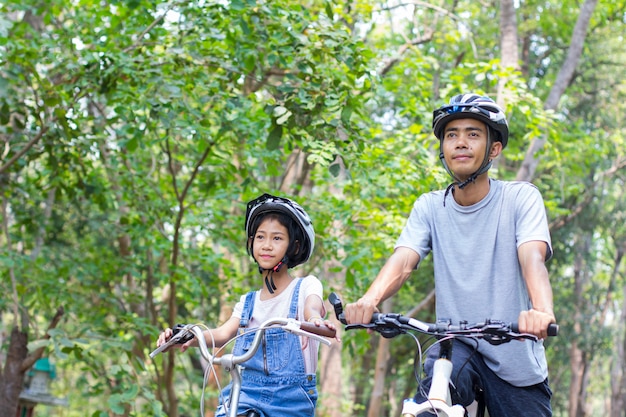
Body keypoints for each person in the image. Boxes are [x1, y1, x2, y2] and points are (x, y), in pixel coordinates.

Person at [344, 93, 556, 416]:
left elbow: (532, 258)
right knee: (435, 389)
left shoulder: (520, 199)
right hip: (457, 348)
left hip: (517, 360)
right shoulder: (430, 206)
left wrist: (541, 311)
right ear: (442, 148)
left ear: (494, 149)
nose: (460, 142)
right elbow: (403, 261)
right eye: (451, 135)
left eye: (473, 134)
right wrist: (369, 301)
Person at [157, 193, 335, 417]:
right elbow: (222, 333)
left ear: (294, 246)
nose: (267, 245)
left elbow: (313, 306)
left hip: (289, 398)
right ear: (251, 243)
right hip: (244, 392)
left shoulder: (306, 286)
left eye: (277, 238)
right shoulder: (247, 302)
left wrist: (313, 321)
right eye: (260, 237)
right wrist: (189, 335)